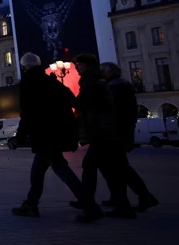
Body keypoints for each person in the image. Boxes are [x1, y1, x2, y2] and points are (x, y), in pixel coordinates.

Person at [11, 52, 102, 222]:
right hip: (58, 132)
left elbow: (28, 111)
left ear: (24, 67)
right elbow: (71, 101)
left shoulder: (29, 82)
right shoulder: (53, 81)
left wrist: (21, 135)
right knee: (38, 170)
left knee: (61, 169)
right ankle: (31, 203)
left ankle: (91, 206)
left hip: (44, 133)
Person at [73, 53, 135, 218]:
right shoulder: (98, 80)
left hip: (100, 131)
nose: (77, 68)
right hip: (105, 130)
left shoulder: (91, 81)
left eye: (79, 65)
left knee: (97, 167)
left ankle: (91, 207)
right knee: (110, 169)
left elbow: (81, 102)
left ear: (87, 65)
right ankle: (122, 206)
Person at [89, 62, 157, 211]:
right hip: (121, 132)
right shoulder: (122, 85)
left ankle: (140, 197)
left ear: (109, 72)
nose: (100, 73)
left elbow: (112, 111)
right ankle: (123, 198)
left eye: (102, 71)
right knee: (117, 167)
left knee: (119, 168)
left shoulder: (114, 88)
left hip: (115, 133)